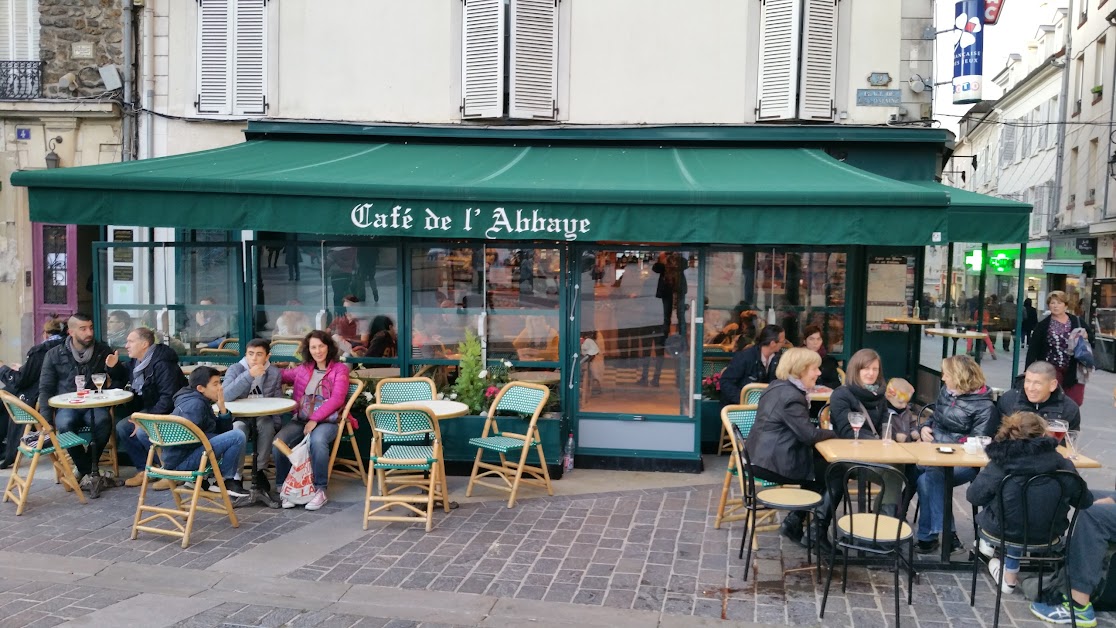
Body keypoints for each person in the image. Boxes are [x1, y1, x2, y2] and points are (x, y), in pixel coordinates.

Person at [967, 412, 1093, 597]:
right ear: (1044, 435)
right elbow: (1084, 501)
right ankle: (1004, 565)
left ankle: (991, 552)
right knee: (1024, 505)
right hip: (1049, 533)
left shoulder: (1001, 463)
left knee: (1006, 505)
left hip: (1004, 531)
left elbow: (974, 497)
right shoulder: (1061, 464)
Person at [744, 348, 837, 547]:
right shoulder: (792, 397)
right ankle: (815, 533)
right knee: (834, 474)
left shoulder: (777, 387)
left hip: (759, 456)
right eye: (815, 369)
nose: (819, 373)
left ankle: (795, 521)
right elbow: (809, 435)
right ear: (800, 370)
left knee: (821, 468)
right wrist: (834, 432)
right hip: (772, 462)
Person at [915, 354, 1000, 553]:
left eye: (946, 374)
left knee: (930, 477)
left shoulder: (985, 407)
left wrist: (945, 446)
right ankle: (945, 538)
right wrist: (924, 428)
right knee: (926, 477)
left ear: (959, 376)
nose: (943, 378)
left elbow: (978, 443)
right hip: (934, 454)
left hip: (965, 464)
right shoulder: (946, 392)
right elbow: (935, 418)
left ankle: (933, 537)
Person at [273, 331, 352, 511]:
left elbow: (337, 399)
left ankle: (320, 489)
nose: (318, 351)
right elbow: (282, 375)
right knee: (279, 442)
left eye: (321, 346)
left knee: (317, 441)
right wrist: (260, 367)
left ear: (328, 347)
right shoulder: (304, 368)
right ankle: (285, 487)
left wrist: (315, 419)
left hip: (327, 421)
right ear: (308, 350)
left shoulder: (339, 369)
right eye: (313, 347)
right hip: (301, 419)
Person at [38, 313, 115, 492]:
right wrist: (46, 420)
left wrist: (115, 368)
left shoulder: (102, 350)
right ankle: (88, 470)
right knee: (64, 425)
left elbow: (119, 379)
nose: (89, 332)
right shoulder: (54, 354)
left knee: (104, 422)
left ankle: (84, 470)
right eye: (83, 329)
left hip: (93, 404)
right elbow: (45, 388)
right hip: (68, 405)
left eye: (91, 328)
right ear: (71, 332)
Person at [109, 327, 188, 491]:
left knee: (142, 431)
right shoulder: (137, 362)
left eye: (130, 341)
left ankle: (171, 471)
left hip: (174, 410)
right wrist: (114, 367)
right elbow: (124, 375)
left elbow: (168, 398)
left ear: (144, 344)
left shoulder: (163, 363)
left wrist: (145, 419)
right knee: (123, 427)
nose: (127, 345)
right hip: (151, 408)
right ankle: (145, 469)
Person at [166, 367, 253, 507]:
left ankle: (218, 480)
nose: (220, 388)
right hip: (181, 462)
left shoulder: (198, 400)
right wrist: (217, 440)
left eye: (220, 382)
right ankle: (225, 481)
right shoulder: (194, 405)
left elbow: (222, 433)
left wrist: (222, 409)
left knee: (233, 436)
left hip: (185, 456)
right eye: (215, 384)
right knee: (237, 435)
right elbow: (187, 440)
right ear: (200, 388)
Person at [0, 317, 66, 469]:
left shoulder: (42, 350)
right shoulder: (64, 345)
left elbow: (21, 380)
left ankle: (7, 449)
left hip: (38, 396)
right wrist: (22, 369)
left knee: (5, 398)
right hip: (48, 391)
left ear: (46, 334)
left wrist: (3, 369)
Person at [222, 338, 284, 495]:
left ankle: (260, 470)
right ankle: (236, 476)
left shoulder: (274, 372)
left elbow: (277, 399)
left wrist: (277, 425)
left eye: (259, 354)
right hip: (239, 416)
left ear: (267, 356)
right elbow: (225, 395)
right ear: (246, 355)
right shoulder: (235, 369)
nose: (254, 358)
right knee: (238, 430)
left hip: (262, 415)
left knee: (267, 425)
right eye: (250, 354)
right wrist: (249, 375)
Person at [1026, 291, 1092, 407]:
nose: (1055, 306)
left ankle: (1070, 422)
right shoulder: (1043, 325)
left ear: (1066, 305)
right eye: (1052, 303)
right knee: (1052, 400)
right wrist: (1028, 370)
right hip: (1051, 368)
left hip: (1074, 368)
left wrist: (1086, 336)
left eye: (1059, 303)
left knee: (1074, 401)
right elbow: (1033, 349)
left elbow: (1091, 339)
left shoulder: (1076, 321)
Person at [997, 361, 1081, 431]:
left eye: (1037, 383)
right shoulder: (1008, 400)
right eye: (1028, 381)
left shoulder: (1069, 409)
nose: (1030, 388)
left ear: (1052, 385)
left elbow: (1070, 443)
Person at [827, 349, 887, 440]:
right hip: (848, 448)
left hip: (877, 448)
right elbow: (847, 431)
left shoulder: (879, 395)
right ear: (856, 370)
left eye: (875, 369)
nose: (871, 373)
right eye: (866, 368)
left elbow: (885, 426)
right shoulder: (841, 395)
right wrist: (876, 443)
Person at [719, 324, 784, 407]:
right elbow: (725, 382)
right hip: (740, 409)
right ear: (772, 343)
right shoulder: (745, 357)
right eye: (782, 341)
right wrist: (744, 401)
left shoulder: (779, 358)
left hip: (767, 409)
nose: (784, 343)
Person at [802, 325, 841, 389]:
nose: (815, 342)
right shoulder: (798, 359)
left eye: (818, 339)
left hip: (823, 395)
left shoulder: (829, 360)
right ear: (804, 341)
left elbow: (836, 383)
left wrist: (821, 388)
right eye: (811, 339)